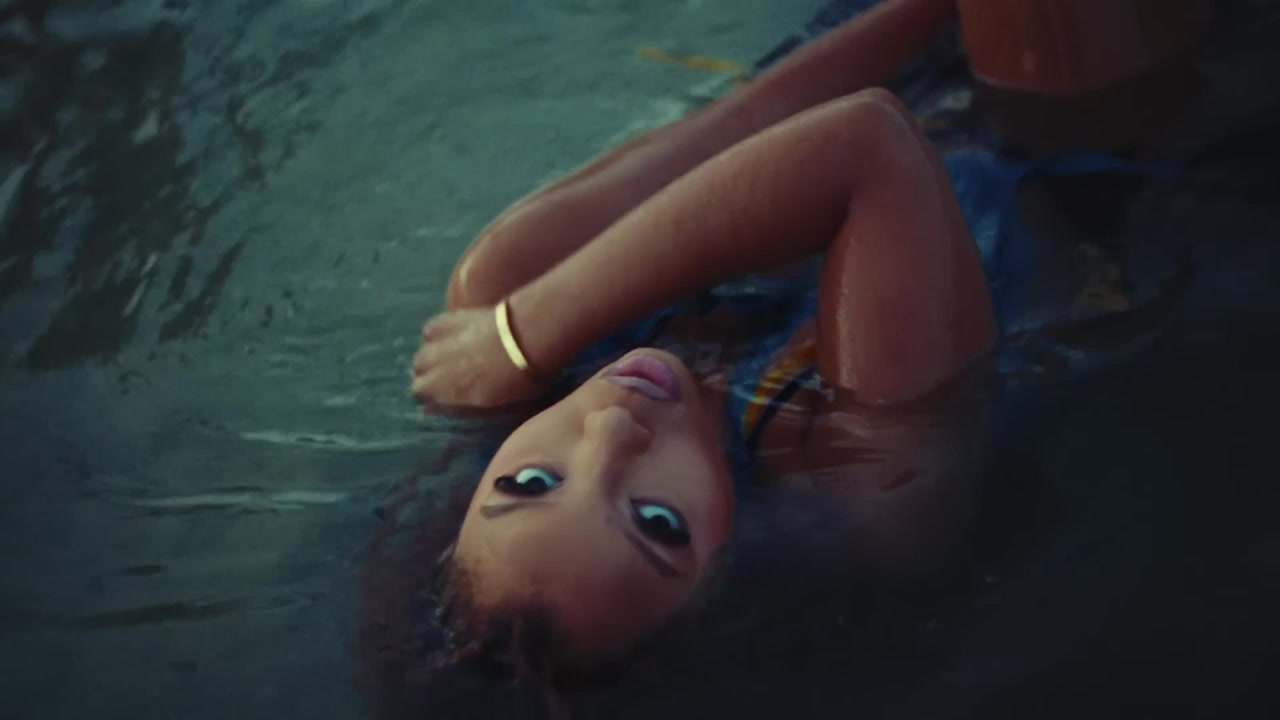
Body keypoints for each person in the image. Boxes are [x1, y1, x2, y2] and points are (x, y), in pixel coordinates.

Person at [395, 0, 1185, 696]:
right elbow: (866, 143)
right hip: (1076, 143)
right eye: (659, 522)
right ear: (729, 596)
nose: (610, 430)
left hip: (914, 64)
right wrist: (527, 329)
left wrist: (924, 12)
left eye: (532, 481)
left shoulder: (521, 314)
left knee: (496, 270)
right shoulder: (861, 495)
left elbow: (747, 119)